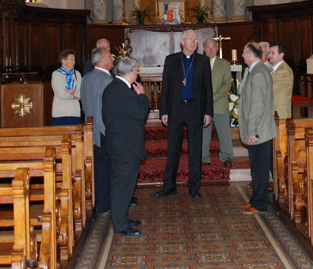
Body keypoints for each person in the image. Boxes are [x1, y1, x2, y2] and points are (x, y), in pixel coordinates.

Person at [155, 30, 213, 199]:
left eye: (195, 40)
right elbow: (165, 88)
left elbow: (208, 89)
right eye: (190, 39)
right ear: (182, 42)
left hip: (195, 109)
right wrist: (163, 111)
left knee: (195, 149)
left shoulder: (203, 61)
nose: (194, 42)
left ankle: (194, 187)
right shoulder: (171, 60)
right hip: (176, 109)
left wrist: (208, 112)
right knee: (173, 148)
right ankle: (169, 186)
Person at [102, 57, 149, 236]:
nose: (138, 73)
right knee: (122, 184)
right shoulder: (120, 90)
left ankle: (122, 217)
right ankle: (120, 224)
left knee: (125, 183)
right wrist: (143, 96)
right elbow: (139, 112)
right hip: (124, 146)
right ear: (130, 72)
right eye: (136, 70)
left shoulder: (116, 88)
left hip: (121, 144)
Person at [238, 42, 276, 215]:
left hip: (259, 131)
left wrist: (252, 130)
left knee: (260, 169)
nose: (242, 56)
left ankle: (260, 203)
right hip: (258, 130)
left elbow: (258, 106)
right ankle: (255, 199)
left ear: (249, 53)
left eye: (243, 53)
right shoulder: (257, 70)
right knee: (256, 168)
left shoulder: (259, 73)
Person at [80, 47, 114, 215]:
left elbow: (85, 106)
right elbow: (107, 110)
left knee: (98, 169)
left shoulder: (86, 78)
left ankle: (99, 202)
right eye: (110, 57)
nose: (113, 59)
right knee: (106, 170)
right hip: (103, 131)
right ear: (102, 60)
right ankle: (104, 204)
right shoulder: (106, 80)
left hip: (90, 130)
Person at [201, 38, 233, 168]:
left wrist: (212, 98)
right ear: (203, 50)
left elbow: (227, 85)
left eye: (213, 47)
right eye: (208, 47)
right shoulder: (199, 63)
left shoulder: (224, 64)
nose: (211, 50)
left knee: (224, 133)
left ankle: (226, 157)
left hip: (219, 103)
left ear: (217, 48)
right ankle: (203, 158)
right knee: (203, 133)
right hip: (203, 105)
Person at [51, 49, 81, 126]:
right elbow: (61, 94)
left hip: (75, 112)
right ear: (63, 61)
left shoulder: (77, 74)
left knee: (75, 136)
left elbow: (81, 92)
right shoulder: (56, 74)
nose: (74, 62)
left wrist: (71, 92)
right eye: (71, 59)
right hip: (60, 113)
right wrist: (74, 96)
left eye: (74, 60)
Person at [269, 42, 294, 120]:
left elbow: (271, 89)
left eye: (272, 53)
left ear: (281, 55)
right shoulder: (271, 69)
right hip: (271, 110)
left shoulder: (284, 71)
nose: (269, 55)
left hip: (279, 112)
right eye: (269, 52)